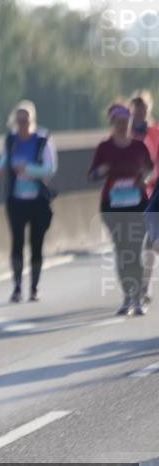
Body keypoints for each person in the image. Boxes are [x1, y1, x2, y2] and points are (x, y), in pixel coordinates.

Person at [88, 103, 155, 316]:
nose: (122, 126)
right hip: (112, 206)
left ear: (130, 124)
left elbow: (150, 169)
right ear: (112, 124)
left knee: (135, 251)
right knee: (121, 251)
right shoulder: (104, 147)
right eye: (118, 123)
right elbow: (91, 176)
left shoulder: (139, 146)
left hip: (137, 205)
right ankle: (127, 296)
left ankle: (137, 296)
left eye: (125, 123)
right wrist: (101, 170)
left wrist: (144, 179)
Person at [0, 100, 58, 303]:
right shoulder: (11, 141)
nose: (22, 124)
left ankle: (34, 287)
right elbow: (3, 163)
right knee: (17, 244)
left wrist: (28, 170)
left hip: (38, 201)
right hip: (16, 200)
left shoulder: (43, 140)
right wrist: (2, 169)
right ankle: (17, 287)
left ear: (32, 120)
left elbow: (50, 169)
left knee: (36, 244)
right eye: (19, 120)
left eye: (26, 120)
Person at [130, 91, 159, 305]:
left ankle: (145, 285)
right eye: (137, 111)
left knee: (151, 241)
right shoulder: (126, 132)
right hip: (128, 194)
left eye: (144, 111)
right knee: (131, 242)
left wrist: (149, 178)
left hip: (151, 193)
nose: (141, 115)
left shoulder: (156, 133)